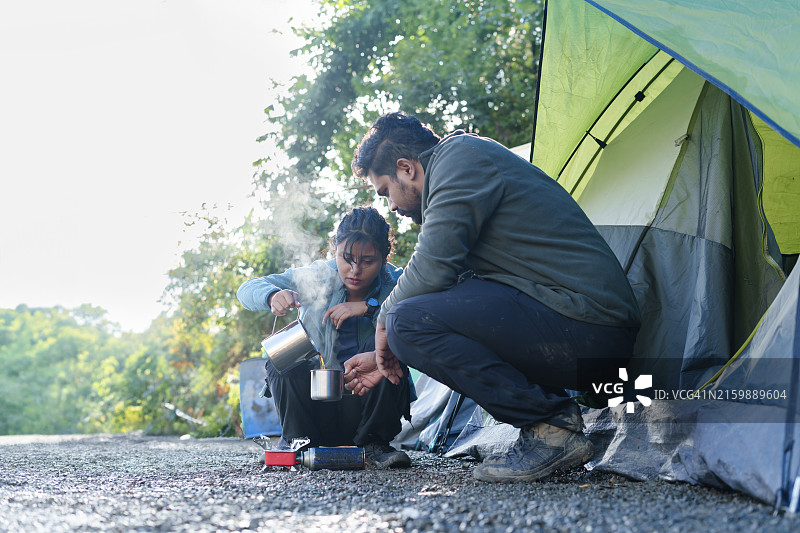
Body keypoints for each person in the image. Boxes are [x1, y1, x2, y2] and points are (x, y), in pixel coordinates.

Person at [343, 112, 641, 482]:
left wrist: (385, 324)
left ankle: (551, 430)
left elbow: (431, 267)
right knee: (415, 315)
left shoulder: (459, 159)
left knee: (403, 320)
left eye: (385, 190)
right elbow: (449, 295)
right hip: (575, 329)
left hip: (592, 328)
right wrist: (386, 353)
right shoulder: (460, 170)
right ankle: (550, 425)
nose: (390, 206)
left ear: (406, 168)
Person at [237, 206, 412, 468]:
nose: (354, 270)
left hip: (367, 409)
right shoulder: (317, 276)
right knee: (283, 353)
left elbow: (421, 313)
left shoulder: (397, 282)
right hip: (315, 408)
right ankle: (297, 441)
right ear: (335, 250)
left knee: (385, 347)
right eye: (346, 258)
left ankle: (375, 444)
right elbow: (247, 288)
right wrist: (272, 296)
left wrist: (370, 307)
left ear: (384, 258)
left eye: (367, 261)